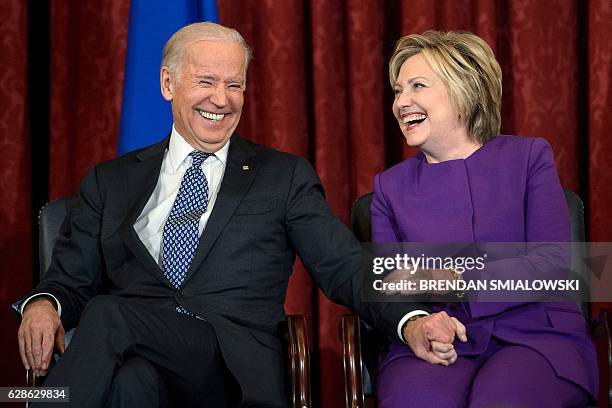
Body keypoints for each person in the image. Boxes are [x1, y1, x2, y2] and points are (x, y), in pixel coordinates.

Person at [14, 23, 421, 408]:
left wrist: (409, 318)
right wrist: (43, 303)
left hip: (232, 367)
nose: (222, 99)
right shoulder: (110, 181)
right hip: (138, 357)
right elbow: (68, 280)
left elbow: (343, 265)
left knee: (106, 314)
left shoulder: (282, 176)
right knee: (132, 382)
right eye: (206, 82)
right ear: (167, 84)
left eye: (234, 85)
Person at [371, 31, 598, 407]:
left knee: (502, 397)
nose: (400, 102)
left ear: (464, 91)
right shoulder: (388, 188)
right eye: (397, 91)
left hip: (536, 335)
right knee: (415, 397)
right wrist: (418, 320)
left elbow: (551, 264)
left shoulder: (529, 158)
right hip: (442, 337)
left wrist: (455, 278)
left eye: (417, 86)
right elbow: (392, 282)